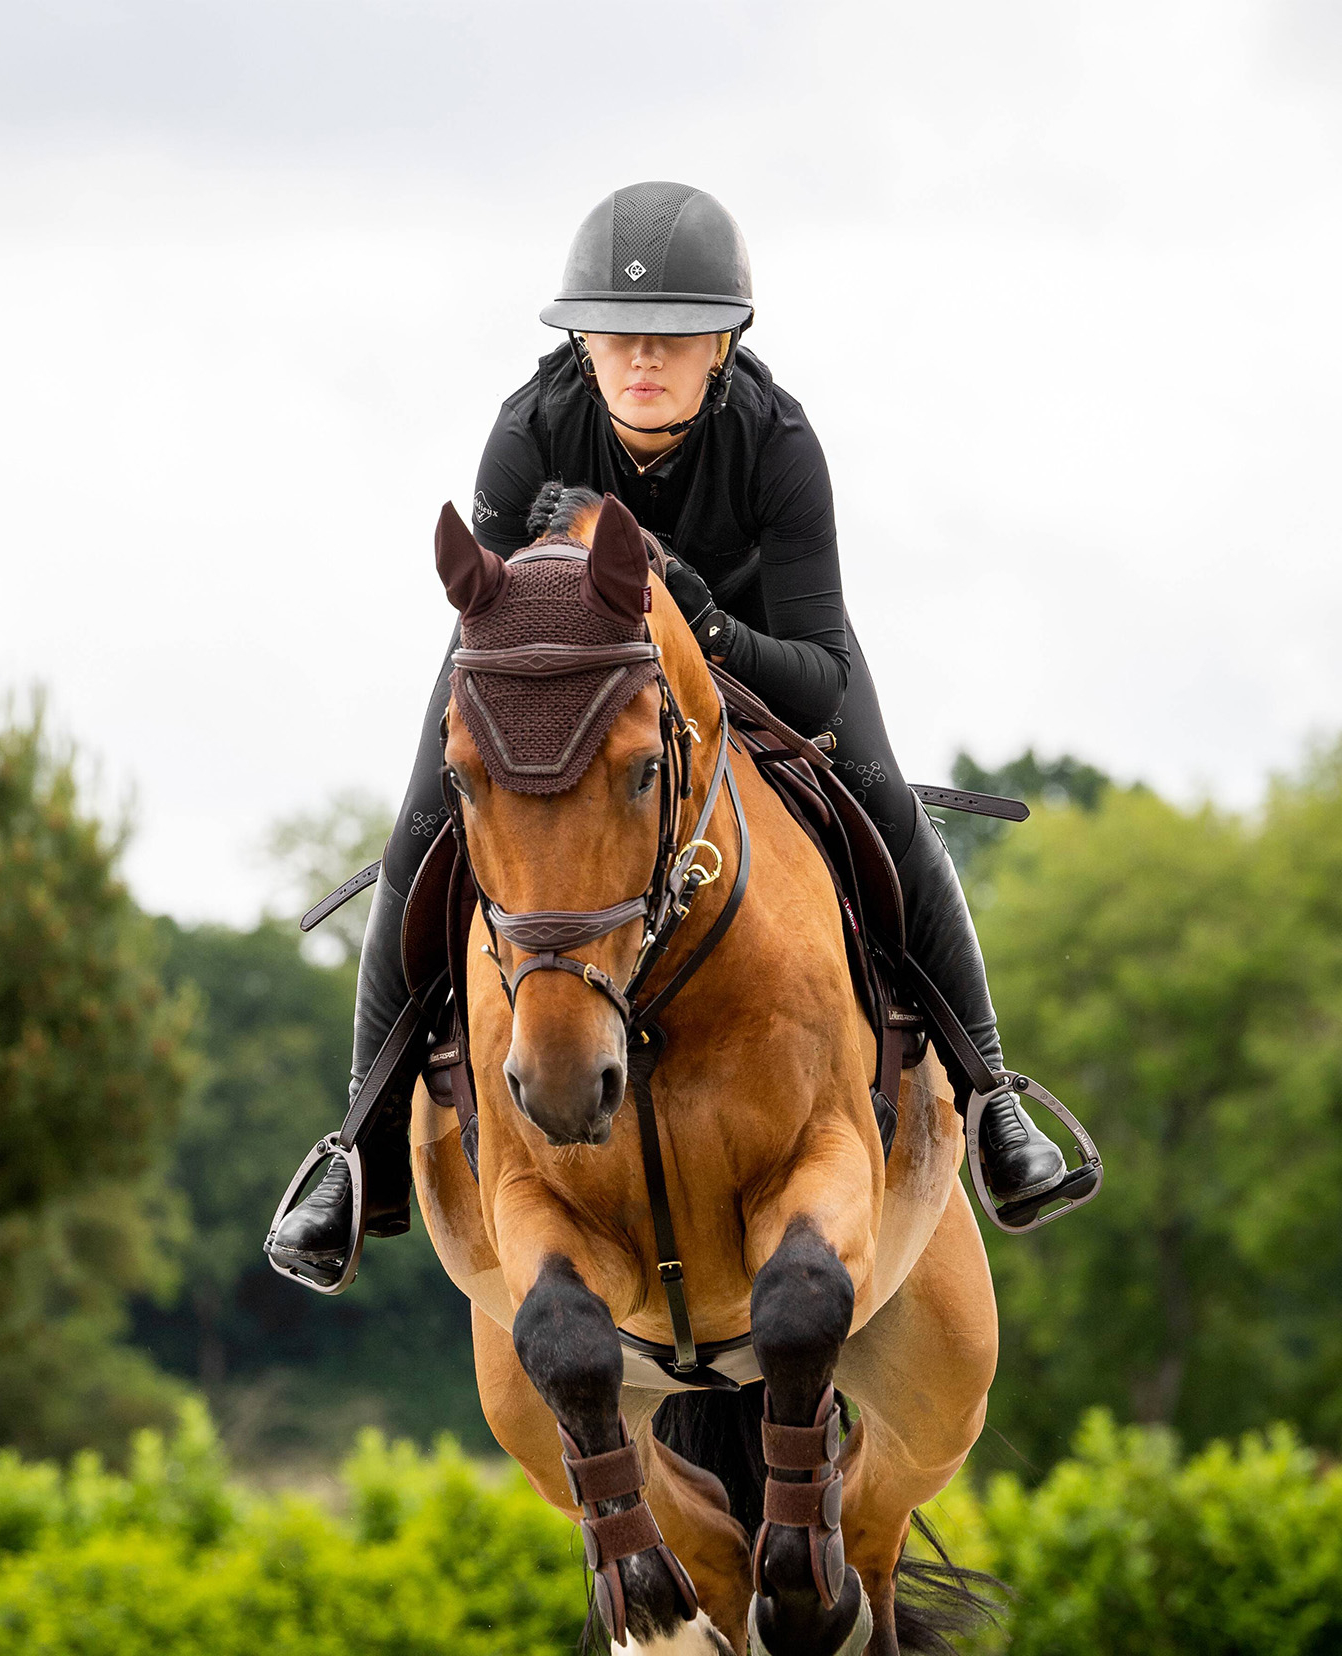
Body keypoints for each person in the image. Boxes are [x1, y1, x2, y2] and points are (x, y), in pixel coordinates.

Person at [270, 180, 1071, 1277]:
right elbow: (497, 622)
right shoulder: (528, 430)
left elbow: (820, 677)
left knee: (886, 805)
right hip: (561, 668)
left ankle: (990, 1095)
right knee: (422, 824)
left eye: (676, 335)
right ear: (582, 344)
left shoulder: (778, 441)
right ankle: (356, 1148)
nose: (643, 357)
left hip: (757, 646)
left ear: (723, 343)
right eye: (618, 335)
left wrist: (706, 624)